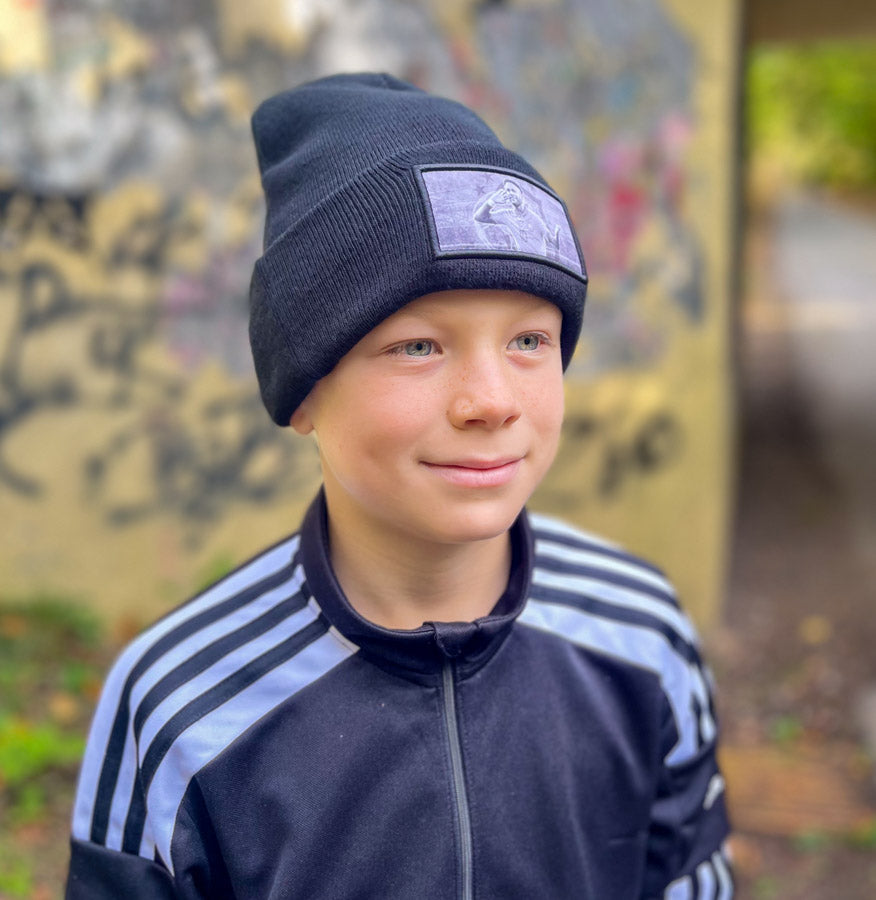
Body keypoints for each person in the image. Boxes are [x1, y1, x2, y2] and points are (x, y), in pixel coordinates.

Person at [65, 72, 731, 899]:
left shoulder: (640, 632)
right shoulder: (178, 704)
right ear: (304, 392)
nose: (491, 401)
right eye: (418, 347)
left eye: (529, 340)